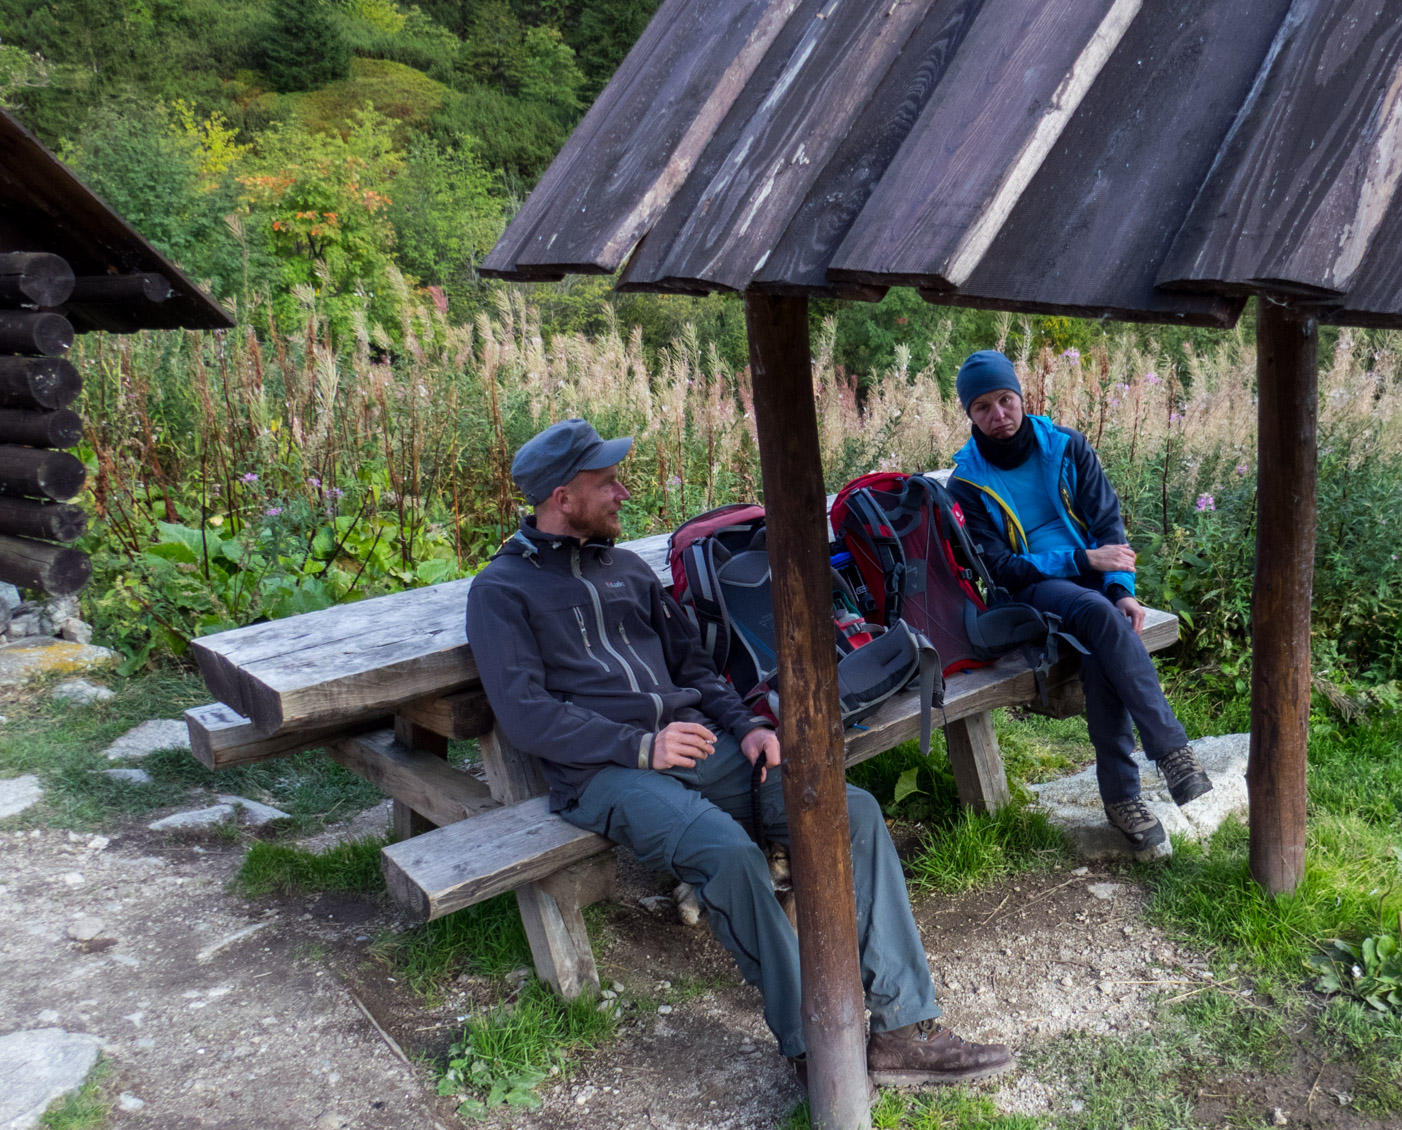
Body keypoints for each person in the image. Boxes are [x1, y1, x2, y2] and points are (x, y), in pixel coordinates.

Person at [466, 417, 1013, 1087]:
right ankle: (815, 1044)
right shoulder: (501, 592)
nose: (622, 492)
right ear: (560, 496)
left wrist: (749, 725)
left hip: (701, 744)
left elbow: (695, 667)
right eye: (605, 482)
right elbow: (527, 716)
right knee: (726, 854)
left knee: (853, 811)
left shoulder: (627, 571)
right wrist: (640, 746)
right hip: (605, 773)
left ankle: (902, 1030)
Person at [947, 351, 1212, 859]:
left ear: (1022, 398)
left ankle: (1122, 800)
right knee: (1097, 617)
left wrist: (1122, 589)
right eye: (982, 407)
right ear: (970, 415)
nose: (997, 414)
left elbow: (1107, 522)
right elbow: (1001, 568)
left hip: (1090, 584)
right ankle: (1172, 752)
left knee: (1101, 641)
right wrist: (1083, 559)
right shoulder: (967, 482)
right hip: (1027, 594)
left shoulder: (1067, 447)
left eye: (1005, 400)